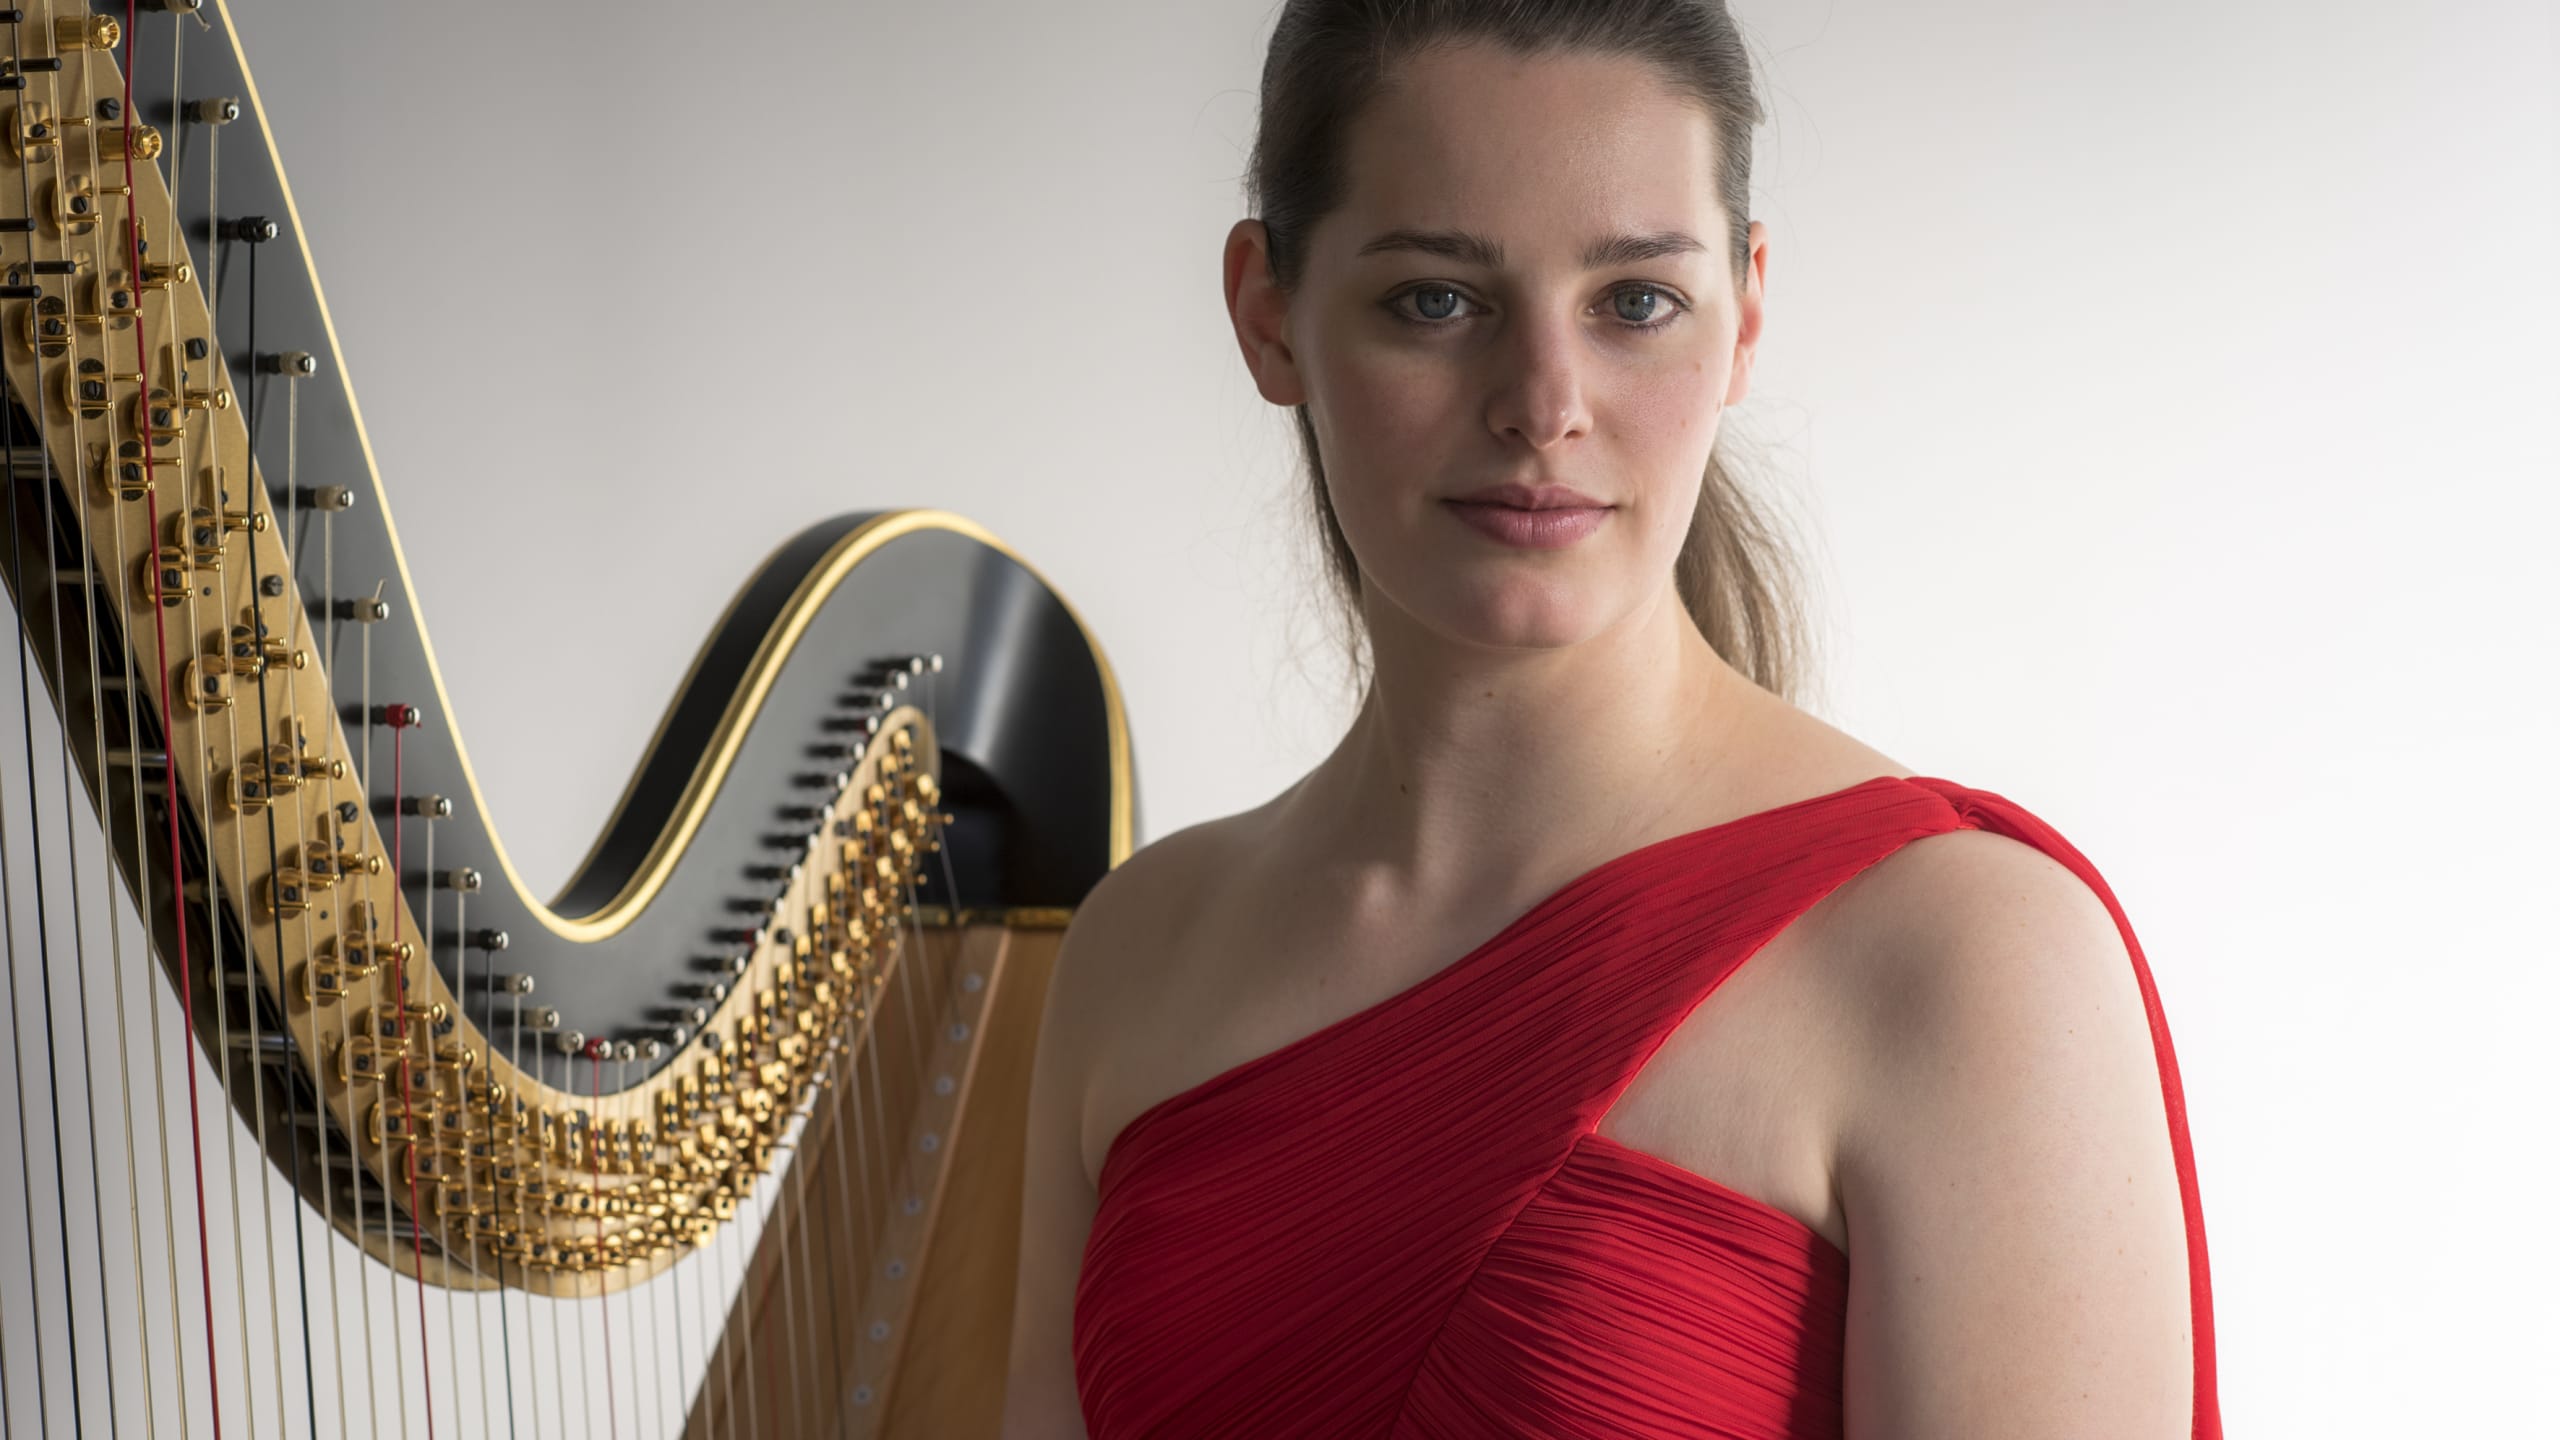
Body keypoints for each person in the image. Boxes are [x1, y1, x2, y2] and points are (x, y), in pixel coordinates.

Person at [1004, 3, 2219, 1436]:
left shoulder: (1969, 960)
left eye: (1635, 301)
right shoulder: (1136, 955)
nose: (1543, 405)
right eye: (1435, 300)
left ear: (1744, 316)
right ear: (1268, 315)